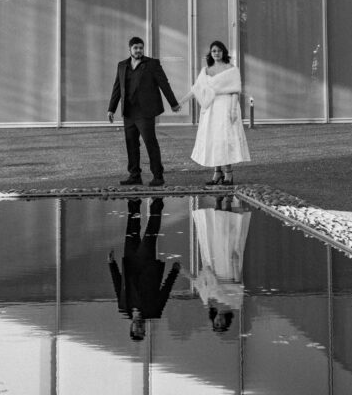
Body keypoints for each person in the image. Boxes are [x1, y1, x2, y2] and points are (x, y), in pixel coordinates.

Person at [107, 36, 181, 186]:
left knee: (150, 143)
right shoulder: (122, 65)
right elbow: (117, 88)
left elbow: (164, 84)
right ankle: (134, 175)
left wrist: (173, 103)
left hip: (145, 112)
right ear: (130, 49)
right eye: (136, 48)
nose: (139, 50)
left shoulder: (152, 64)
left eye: (141, 47)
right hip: (128, 112)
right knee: (131, 144)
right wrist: (111, 109)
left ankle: (158, 176)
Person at [176, 40, 250, 185]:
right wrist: (181, 102)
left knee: (225, 139)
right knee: (213, 139)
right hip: (211, 109)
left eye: (219, 50)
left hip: (227, 106)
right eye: (214, 51)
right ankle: (217, 172)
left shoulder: (231, 69)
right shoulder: (206, 71)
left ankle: (228, 173)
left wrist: (234, 110)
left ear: (224, 52)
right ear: (210, 53)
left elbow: (235, 90)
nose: (216, 53)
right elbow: (195, 89)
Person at [108, 197, 180, 340]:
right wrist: (174, 272)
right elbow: (164, 292)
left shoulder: (124, 307)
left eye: (137, 329)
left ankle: (134, 203)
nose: (140, 327)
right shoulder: (154, 310)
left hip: (130, 264)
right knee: (150, 235)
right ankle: (157, 203)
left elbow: (118, 285)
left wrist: (112, 264)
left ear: (131, 327)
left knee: (132, 232)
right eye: (142, 330)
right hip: (147, 266)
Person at [179, 197, 251, 334]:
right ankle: (228, 203)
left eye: (216, 324)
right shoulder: (234, 303)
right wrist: (235, 262)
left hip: (212, 265)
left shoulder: (209, 302)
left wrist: (183, 271)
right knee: (228, 236)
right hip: (227, 269)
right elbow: (237, 283)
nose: (219, 321)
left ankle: (218, 203)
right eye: (221, 324)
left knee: (214, 235)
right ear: (226, 322)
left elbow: (198, 283)